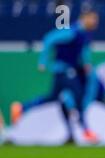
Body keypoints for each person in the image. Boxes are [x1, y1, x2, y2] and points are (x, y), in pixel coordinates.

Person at [10, 10, 99, 144]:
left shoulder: (83, 35)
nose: (95, 22)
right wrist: (43, 62)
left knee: (53, 97)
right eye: (93, 19)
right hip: (64, 71)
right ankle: (86, 131)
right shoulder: (71, 32)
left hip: (66, 72)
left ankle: (22, 108)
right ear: (84, 18)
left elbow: (83, 51)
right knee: (78, 96)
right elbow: (49, 38)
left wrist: (86, 64)